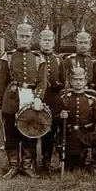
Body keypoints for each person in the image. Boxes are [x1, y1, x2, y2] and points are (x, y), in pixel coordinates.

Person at [0, 17, 47, 179]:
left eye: (27, 36)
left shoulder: (39, 58)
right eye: (21, 36)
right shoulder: (8, 57)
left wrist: (38, 98)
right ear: (17, 37)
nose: (24, 39)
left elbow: (42, 82)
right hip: (11, 98)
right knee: (10, 133)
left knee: (29, 132)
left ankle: (27, 166)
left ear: (31, 38)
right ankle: (13, 166)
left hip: (30, 98)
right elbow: (0, 82)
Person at [55, 67, 96, 173]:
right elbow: (54, 119)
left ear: (85, 81)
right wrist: (60, 116)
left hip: (87, 134)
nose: (78, 82)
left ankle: (95, 164)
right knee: (73, 167)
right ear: (71, 81)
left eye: (81, 79)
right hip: (70, 134)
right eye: (75, 79)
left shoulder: (91, 100)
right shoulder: (64, 99)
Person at [39, 25, 65, 173]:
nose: (47, 43)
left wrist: (57, 84)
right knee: (35, 129)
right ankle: (30, 162)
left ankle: (46, 161)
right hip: (38, 100)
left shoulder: (59, 60)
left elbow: (63, 82)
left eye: (50, 40)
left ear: (54, 43)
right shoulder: (35, 57)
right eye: (44, 40)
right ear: (40, 41)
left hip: (53, 100)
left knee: (50, 132)